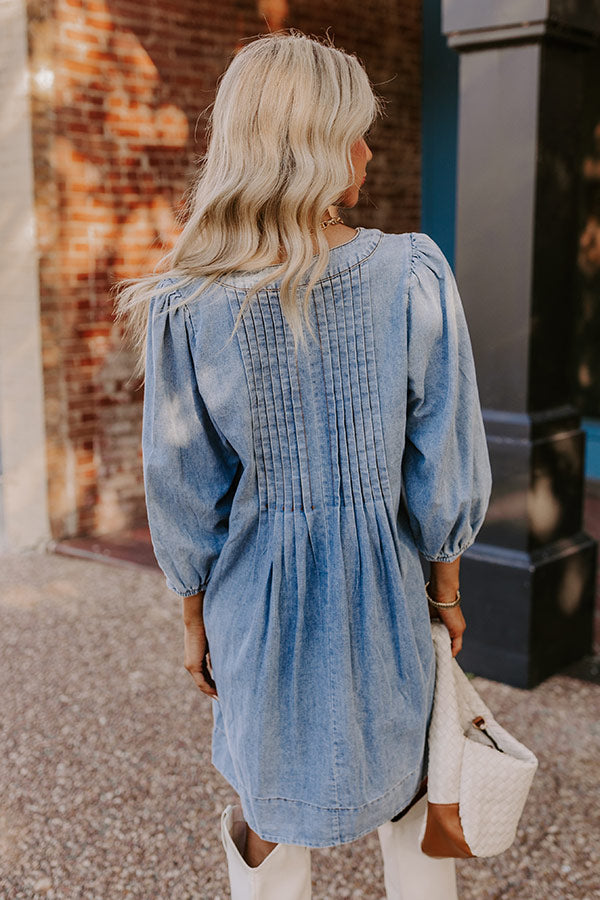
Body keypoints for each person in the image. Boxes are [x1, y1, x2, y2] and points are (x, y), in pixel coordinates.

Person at [114, 29, 492, 900]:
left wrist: (194, 622)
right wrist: (447, 595)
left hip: (253, 604)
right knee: (418, 787)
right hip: (387, 594)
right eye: (355, 132)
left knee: (262, 799)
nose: (369, 149)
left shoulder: (186, 302)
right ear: (313, 147)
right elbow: (445, 465)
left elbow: (182, 495)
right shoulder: (411, 275)